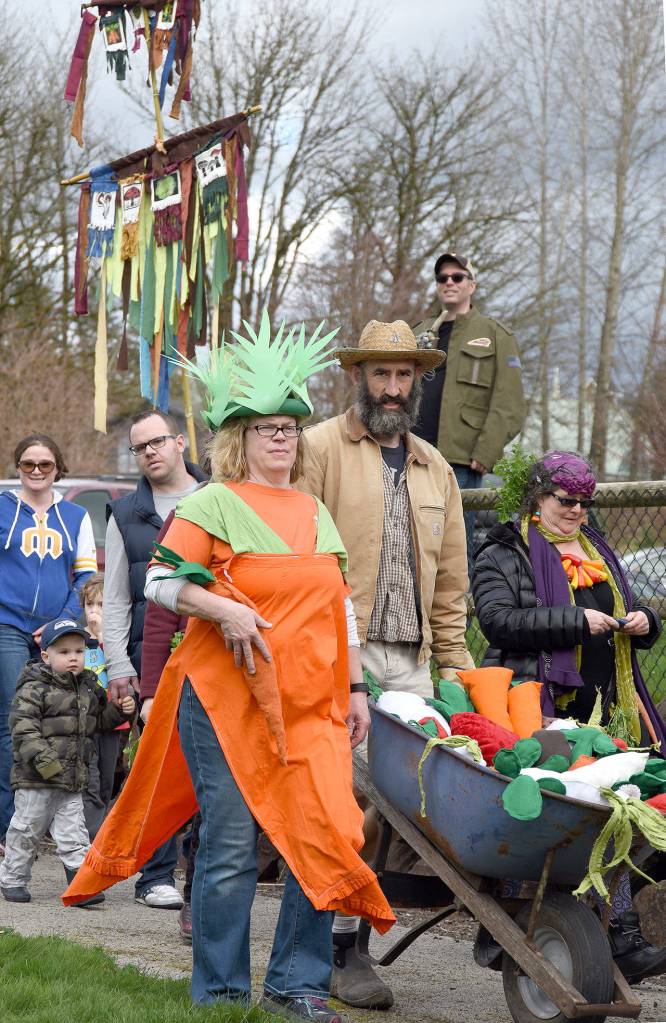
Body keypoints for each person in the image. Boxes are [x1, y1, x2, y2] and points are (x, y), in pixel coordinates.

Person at [63, 314, 395, 1021]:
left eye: (288, 426)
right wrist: (223, 609)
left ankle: (296, 983)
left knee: (325, 833)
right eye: (264, 426)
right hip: (223, 698)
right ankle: (220, 992)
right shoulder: (211, 501)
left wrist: (358, 685)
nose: (280, 435)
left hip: (311, 702)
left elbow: (339, 606)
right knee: (232, 844)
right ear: (238, 437)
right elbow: (157, 582)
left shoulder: (313, 510)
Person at [301, 319, 475, 1009]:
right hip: (346, 653)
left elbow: (451, 583)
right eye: (382, 373)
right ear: (359, 376)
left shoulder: (437, 468)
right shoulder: (319, 449)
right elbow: (306, 559)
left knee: (425, 801)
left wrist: (457, 669)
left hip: (414, 661)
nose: (394, 387)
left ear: (418, 381)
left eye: (405, 376)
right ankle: (343, 948)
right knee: (354, 804)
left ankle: (371, 921)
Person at [472, 449, 666, 984]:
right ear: (537, 498)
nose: (578, 510)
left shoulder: (595, 549)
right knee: (549, 818)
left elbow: (632, 608)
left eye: (585, 502)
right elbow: (497, 620)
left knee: (614, 811)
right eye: (567, 500)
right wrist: (577, 621)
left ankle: (618, 934)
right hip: (534, 706)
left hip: (606, 709)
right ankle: (507, 925)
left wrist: (643, 621)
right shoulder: (504, 549)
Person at [103, 409, 207, 909]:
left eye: (157, 441)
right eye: (139, 446)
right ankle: (155, 875)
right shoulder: (124, 514)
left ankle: (204, 877)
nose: (149, 451)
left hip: (211, 655)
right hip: (153, 658)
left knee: (210, 767)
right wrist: (120, 667)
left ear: (180, 442)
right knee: (158, 766)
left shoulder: (217, 498)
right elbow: (119, 599)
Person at [0, 434, 97, 848]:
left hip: (57, 632)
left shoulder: (75, 515)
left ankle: (45, 823)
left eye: (44, 464)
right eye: (27, 464)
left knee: (56, 721)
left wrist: (63, 620)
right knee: (12, 721)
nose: (36, 471)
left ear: (58, 467)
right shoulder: (3, 509)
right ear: (17, 468)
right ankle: (9, 826)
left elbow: (86, 577)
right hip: (6, 624)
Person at [0, 618, 134, 905]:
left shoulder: (89, 687)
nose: (73, 657)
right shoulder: (33, 689)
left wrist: (119, 712)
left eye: (79, 650)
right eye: (64, 652)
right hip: (36, 781)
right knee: (26, 831)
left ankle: (80, 886)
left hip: (72, 782)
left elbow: (99, 724)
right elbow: (24, 730)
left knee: (75, 835)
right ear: (46, 656)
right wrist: (47, 764)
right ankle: (12, 879)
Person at [412, 253, 525, 571]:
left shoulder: (495, 335)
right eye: (442, 278)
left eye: (457, 277)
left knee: (453, 551)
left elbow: (510, 403)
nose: (449, 282)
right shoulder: (418, 333)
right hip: (411, 455)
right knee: (408, 543)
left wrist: (485, 451)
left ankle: (452, 622)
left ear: (471, 284)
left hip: (459, 460)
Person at [80, 572, 131, 840]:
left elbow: (121, 671)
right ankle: (89, 838)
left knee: (106, 782)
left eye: (101, 605)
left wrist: (104, 638)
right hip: (85, 725)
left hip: (113, 723)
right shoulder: (77, 642)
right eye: (90, 605)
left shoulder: (115, 643)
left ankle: (96, 832)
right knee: (90, 782)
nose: (94, 611)